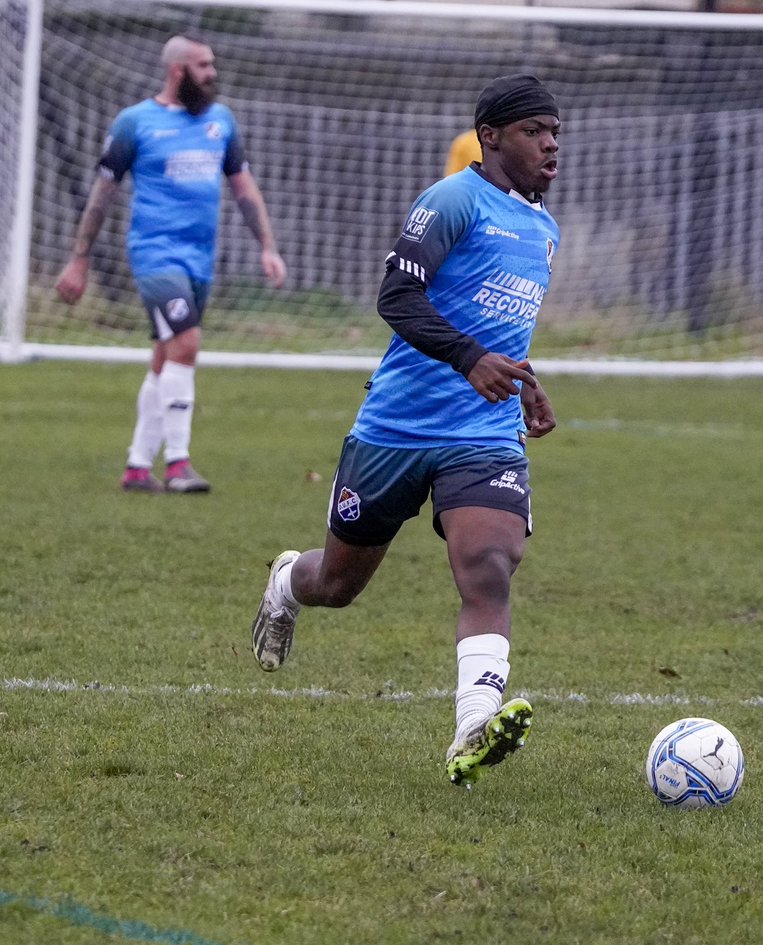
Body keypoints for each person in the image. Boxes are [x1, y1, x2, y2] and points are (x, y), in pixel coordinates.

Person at [251, 74, 561, 790]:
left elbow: (498, 326)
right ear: (490, 137)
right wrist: (467, 357)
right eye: (534, 131)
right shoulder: (451, 199)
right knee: (337, 583)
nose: (550, 144)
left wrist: (526, 383)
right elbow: (397, 296)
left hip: (482, 432)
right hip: (395, 427)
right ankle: (283, 585)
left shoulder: (544, 228)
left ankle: (471, 727)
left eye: (556, 132)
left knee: (490, 562)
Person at [55, 35, 287, 494]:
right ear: (177, 70)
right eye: (203, 65)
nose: (212, 73)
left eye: (212, 64)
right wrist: (79, 260)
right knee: (186, 343)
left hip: (200, 260)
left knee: (166, 356)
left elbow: (243, 188)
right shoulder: (134, 122)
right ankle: (178, 464)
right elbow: (102, 196)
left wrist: (268, 246)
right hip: (154, 254)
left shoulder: (220, 121)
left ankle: (137, 467)